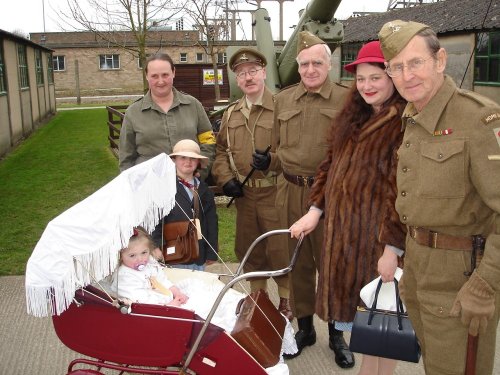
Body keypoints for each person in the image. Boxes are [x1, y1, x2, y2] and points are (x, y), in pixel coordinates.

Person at [377, 20, 500, 374]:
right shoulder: (412, 117)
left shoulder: (478, 119)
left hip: (462, 278)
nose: (406, 75)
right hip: (418, 271)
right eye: (396, 67)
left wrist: (485, 283)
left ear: (440, 60)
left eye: (415, 62)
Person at [289, 41, 407, 375]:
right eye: (361, 79)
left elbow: (401, 192)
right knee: (363, 327)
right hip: (341, 237)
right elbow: (329, 166)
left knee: (381, 328)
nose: (367, 86)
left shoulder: (402, 122)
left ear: (392, 78)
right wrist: (315, 210)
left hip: (374, 242)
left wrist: (392, 248)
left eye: (376, 78)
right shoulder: (353, 116)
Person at [272, 30, 352, 366]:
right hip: (290, 191)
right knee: (298, 264)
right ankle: (306, 328)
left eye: (316, 62)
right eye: (303, 64)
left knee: (332, 264)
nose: (309, 69)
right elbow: (278, 147)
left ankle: (337, 334)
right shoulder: (283, 100)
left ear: (329, 63)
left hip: (331, 194)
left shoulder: (348, 100)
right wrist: (269, 161)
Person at [211, 48, 292, 320]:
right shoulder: (232, 113)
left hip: (276, 193)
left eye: (253, 71)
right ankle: (259, 299)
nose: (248, 77)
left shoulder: (283, 108)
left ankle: (286, 301)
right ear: (236, 78)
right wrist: (225, 180)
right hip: (245, 196)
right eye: (242, 73)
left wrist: (273, 160)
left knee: (280, 249)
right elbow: (221, 151)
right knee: (250, 250)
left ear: (264, 72)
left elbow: (296, 151)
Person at [118, 53, 216, 179]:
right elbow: (126, 156)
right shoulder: (133, 112)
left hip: (189, 183)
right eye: (154, 76)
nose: (161, 81)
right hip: (149, 186)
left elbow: (208, 141)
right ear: (146, 76)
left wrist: (200, 171)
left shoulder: (193, 105)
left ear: (173, 72)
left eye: (165, 75)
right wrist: (132, 184)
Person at [151, 139, 218, 271]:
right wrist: (156, 245)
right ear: (174, 160)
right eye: (183, 158)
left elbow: (211, 221)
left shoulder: (204, 190)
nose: (188, 162)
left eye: (192, 158)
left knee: (196, 285)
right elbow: (155, 220)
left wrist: (212, 251)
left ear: (198, 162)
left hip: (199, 252)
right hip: (173, 251)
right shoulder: (164, 188)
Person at [111, 227, 189, 306]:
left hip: (163, 300)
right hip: (147, 309)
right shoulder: (124, 276)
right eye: (132, 255)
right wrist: (167, 307)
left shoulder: (149, 263)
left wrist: (177, 293)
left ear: (149, 250)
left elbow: (162, 280)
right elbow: (140, 300)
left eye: (144, 252)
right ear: (121, 256)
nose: (140, 259)